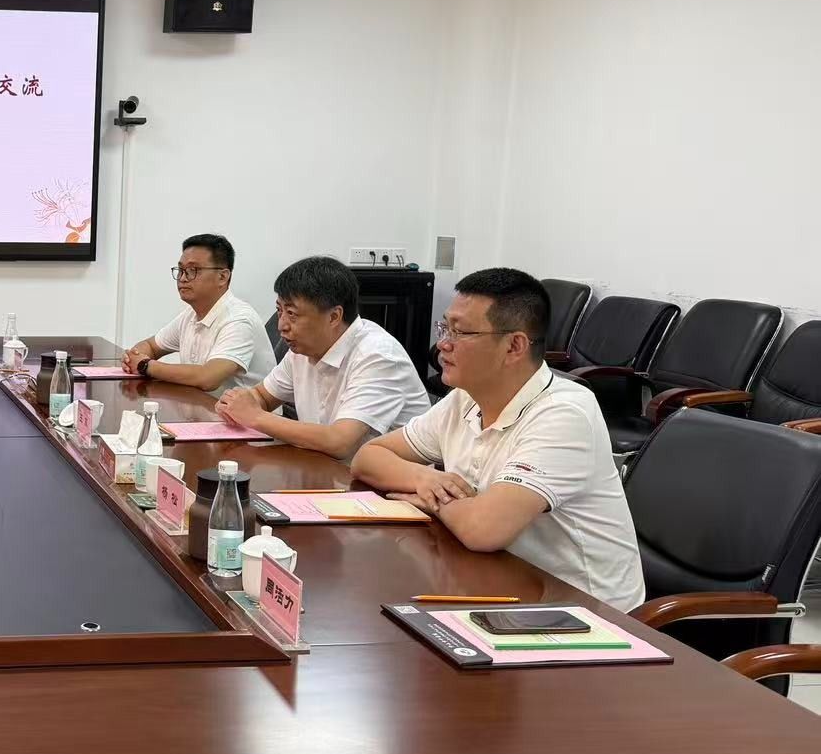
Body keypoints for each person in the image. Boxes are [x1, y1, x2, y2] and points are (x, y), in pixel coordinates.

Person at [351, 267, 644, 611]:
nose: (443, 344)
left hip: (583, 612)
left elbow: (483, 530)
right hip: (501, 583)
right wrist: (425, 479)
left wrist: (434, 501)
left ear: (514, 346)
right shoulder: (465, 398)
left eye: (460, 332)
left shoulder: (564, 413)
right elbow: (367, 457)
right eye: (445, 328)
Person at [216, 255, 429, 459]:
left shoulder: (379, 357)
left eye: (292, 314)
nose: (281, 325)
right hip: (324, 468)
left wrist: (256, 416)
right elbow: (262, 396)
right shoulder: (302, 350)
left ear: (334, 316)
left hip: (389, 481)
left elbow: (340, 442)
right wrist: (236, 404)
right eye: (279, 311)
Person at [120, 234, 275, 395]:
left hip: (243, 411)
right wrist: (132, 358)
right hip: (201, 405)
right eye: (181, 270)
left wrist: (145, 365)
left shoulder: (239, 320)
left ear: (222, 277)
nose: (182, 278)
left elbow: (208, 378)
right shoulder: (190, 315)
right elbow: (151, 345)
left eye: (192, 270)